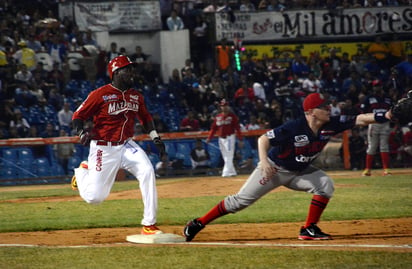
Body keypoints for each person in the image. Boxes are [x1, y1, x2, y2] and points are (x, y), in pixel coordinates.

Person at [183, 92, 393, 242]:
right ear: (311, 112)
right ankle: (198, 223)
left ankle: (308, 228)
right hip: (275, 169)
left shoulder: (332, 123)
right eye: (324, 106)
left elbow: (360, 119)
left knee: (325, 184)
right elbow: (264, 139)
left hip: (299, 172)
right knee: (239, 202)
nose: (329, 108)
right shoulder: (293, 127)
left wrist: (387, 116)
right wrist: (264, 161)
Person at [70, 55, 166, 235]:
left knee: (147, 171)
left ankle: (149, 224)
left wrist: (156, 138)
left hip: (127, 145)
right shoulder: (100, 94)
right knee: (95, 198)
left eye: (132, 69)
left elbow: (146, 118)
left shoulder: (136, 96)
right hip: (103, 147)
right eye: (127, 69)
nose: (132, 72)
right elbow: (78, 115)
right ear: (115, 73)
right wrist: (81, 132)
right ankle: (83, 171)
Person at [361, 80, 393, 176]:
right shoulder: (369, 98)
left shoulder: (387, 98)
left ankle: (386, 169)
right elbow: (363, 111)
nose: (376, 88)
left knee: (384, 146)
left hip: (385, 123)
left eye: (378, 86)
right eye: (375, 86)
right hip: (373, 123)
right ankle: (367, 169)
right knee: (372, 146)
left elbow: (393, 110)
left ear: (381, 86)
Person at [205, 99, 243, 177]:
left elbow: (237, 128)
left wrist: (240, 139)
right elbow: (213, 129)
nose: (224, 107)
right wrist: (209, 138)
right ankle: (232, 172)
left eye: (226, 105)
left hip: (229, 137)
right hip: (221, 138)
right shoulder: (218, 117)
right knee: (225, 155)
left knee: (229, 155)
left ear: (228, 106)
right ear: (220, 107)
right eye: (223, 106)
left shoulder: (232, 116)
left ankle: (225, 172)